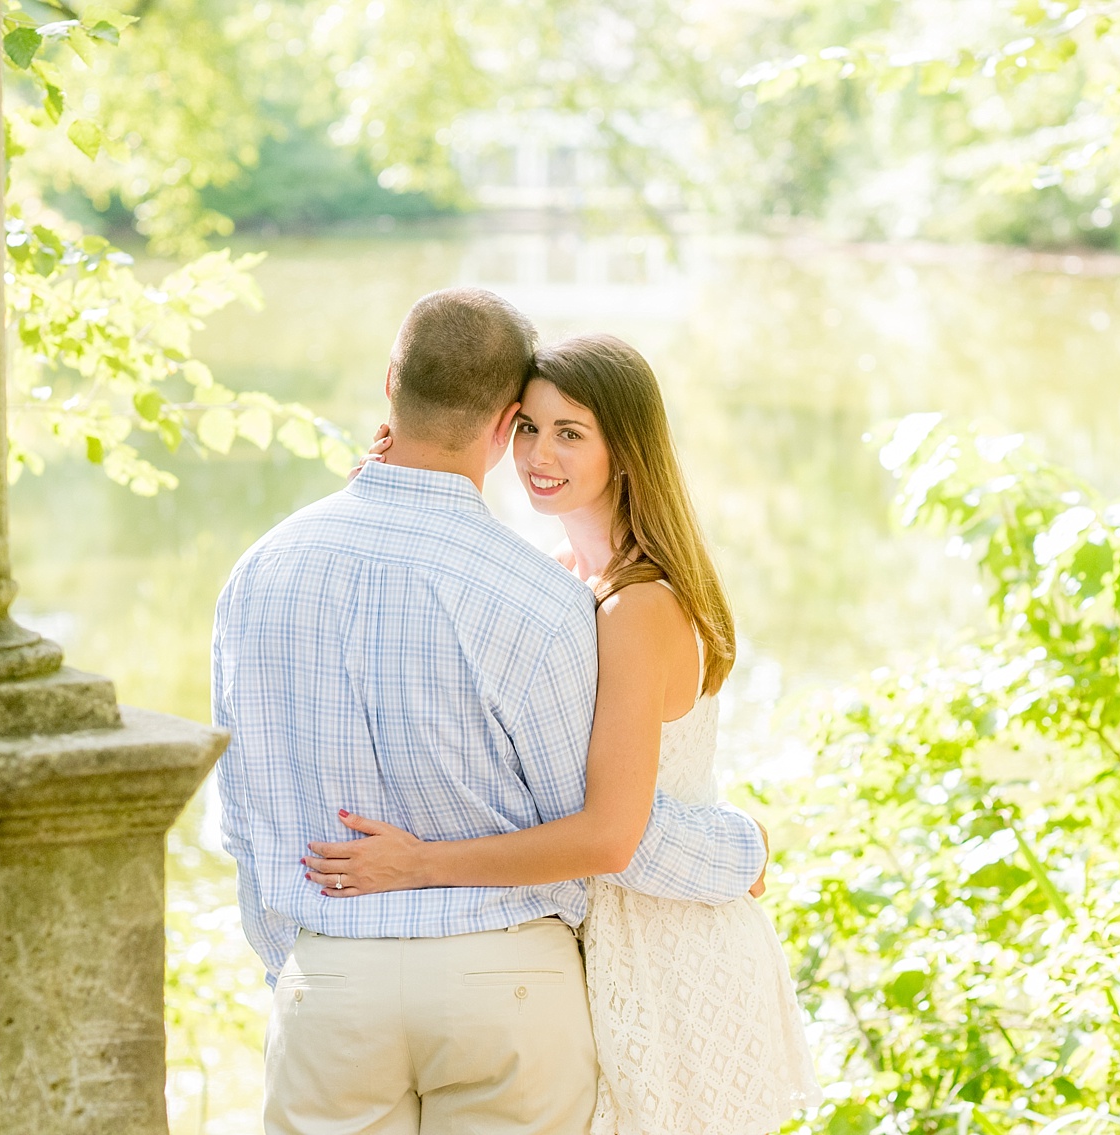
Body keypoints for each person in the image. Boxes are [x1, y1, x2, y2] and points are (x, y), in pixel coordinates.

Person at [212, 289, 770, 1135]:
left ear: (391, 382)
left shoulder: (259, 571)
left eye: (570, 432)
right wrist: (742, 848)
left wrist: (293, 961)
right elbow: (595, 824)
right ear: (505, 419)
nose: (541, 452)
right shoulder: (544, 597)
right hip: (508, 982)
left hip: (334, 980)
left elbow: (243, 814)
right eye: (533, 429)